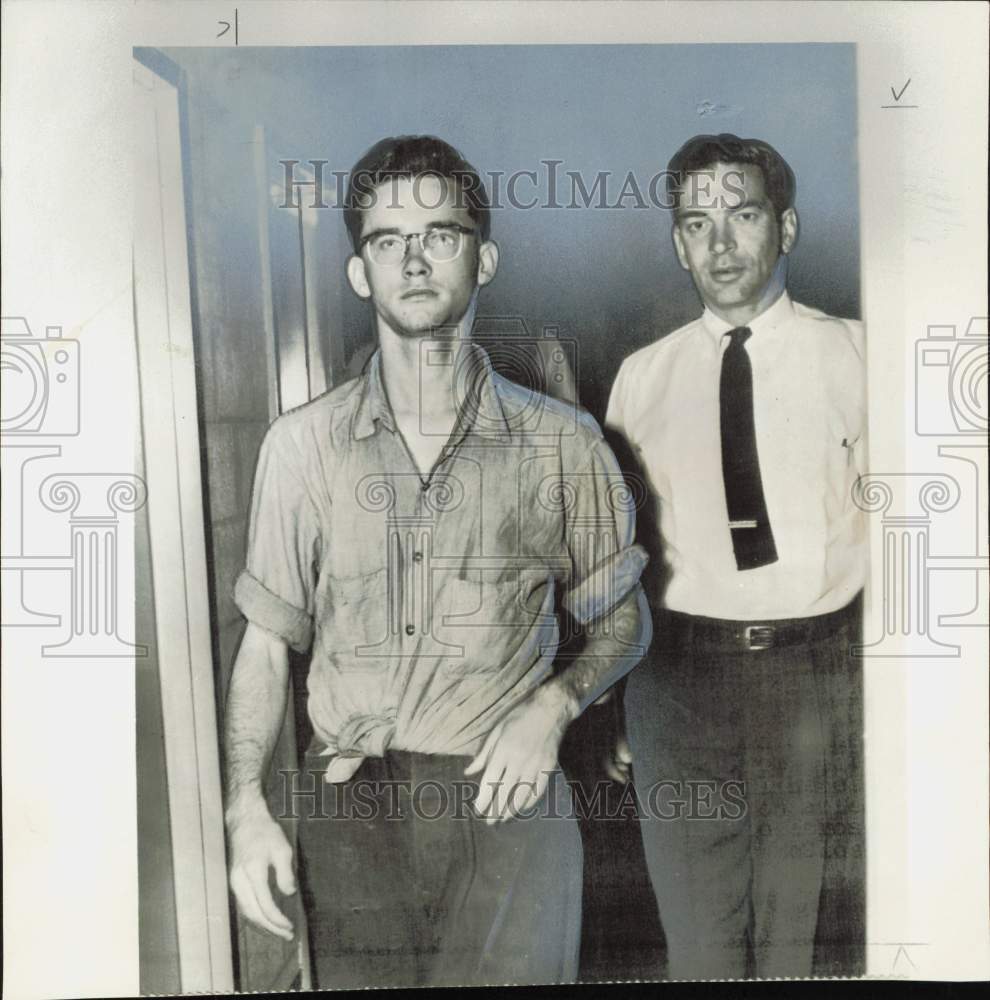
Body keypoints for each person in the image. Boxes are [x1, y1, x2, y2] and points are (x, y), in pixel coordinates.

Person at [223, 134, 651, 989]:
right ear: (360, 272)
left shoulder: (562, 443)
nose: (414, 261)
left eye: (440, 235)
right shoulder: (301, 447)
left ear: (484, 257)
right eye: (387, 240)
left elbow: (624, 620)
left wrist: (555, 706)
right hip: (351, 810)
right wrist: (244, 810)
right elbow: (265, 645)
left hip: (507, 798)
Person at [606, 133, 866, 979]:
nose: (719, 243)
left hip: (816, 679)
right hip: (678, 689)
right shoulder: (640, 379)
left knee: (803, 937)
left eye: (742, 214)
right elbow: (618, 559)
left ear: (785, 227)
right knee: (699, 944)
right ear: (677, 241)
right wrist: (618, 700)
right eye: (695, 222)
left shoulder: (861, 357)